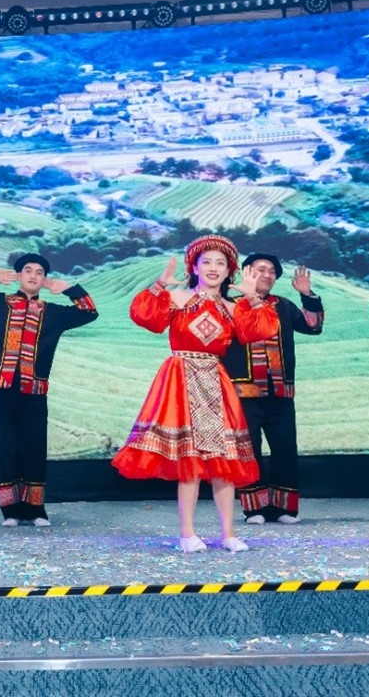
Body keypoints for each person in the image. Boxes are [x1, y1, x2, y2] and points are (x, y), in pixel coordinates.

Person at [112, 235, 279, 553]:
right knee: (189, 462)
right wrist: (160, 285)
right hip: (182, 377)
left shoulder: (233, 308)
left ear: (229, 269)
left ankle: (228, 533)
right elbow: (145, 316)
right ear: (196, 267)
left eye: (220, 263)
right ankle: (187, 534)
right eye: (207, 262)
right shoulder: (179, 299)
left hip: (215, 380)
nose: (214, 268)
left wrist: (253, 298)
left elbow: (262, 330)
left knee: (223, 461)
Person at [0, 253, 98, 527]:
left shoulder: (54, 313)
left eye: (39, 272)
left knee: (33, 445)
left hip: (33, 388)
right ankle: (10, 509)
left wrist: (68, 289)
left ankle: (36, 509)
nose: (33, 275)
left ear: (44, 280)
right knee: (2, 445)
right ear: (18, 276)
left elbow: (89, 311)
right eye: (28, 270)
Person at [223, 253, 324, 525]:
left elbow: (314, 327)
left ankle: (284, 509)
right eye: (260, 269)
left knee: (285, 449)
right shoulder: (232, 305)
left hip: (281, 392)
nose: (266, 275)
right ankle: (253, 508)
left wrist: (308, 295)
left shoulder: (284, 306)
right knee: (249, 449)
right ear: (246, 273)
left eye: (271, 271)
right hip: (244, 394)